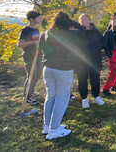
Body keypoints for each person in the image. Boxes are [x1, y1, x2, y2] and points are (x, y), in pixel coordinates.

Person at [38, 11, 85, 140]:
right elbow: (83, 29)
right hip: (63, 68)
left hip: (47, 68)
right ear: (66, 22)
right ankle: (54, 130)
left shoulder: (45, 34)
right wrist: (71, 22)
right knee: (62, 98)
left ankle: (47, 125)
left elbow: (40, 49)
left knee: (50, 96)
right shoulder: (70, 34)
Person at [77, 14, 105, 109]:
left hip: (95, 61)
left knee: (95, 80)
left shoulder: (95, 31)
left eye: (85, 19)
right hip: (82, 61)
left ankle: (96, 97)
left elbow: (103, 42)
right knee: (82, 80)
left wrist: (97, 47)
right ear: (79, 22)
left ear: (89, 20)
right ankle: (84, 99)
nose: (84, 21)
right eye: (81, 19)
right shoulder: (77, 32)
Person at [17, 10, 43, 105]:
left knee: (37, 75)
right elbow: (20, 44)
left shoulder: (36, 30)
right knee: (31, 76)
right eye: (38, 17)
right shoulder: (25, 30)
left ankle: (31, 91)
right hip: (29, 56)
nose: (40, 19)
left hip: (38, 56)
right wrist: (33, 42)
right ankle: (26, 97)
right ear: (32, 19)